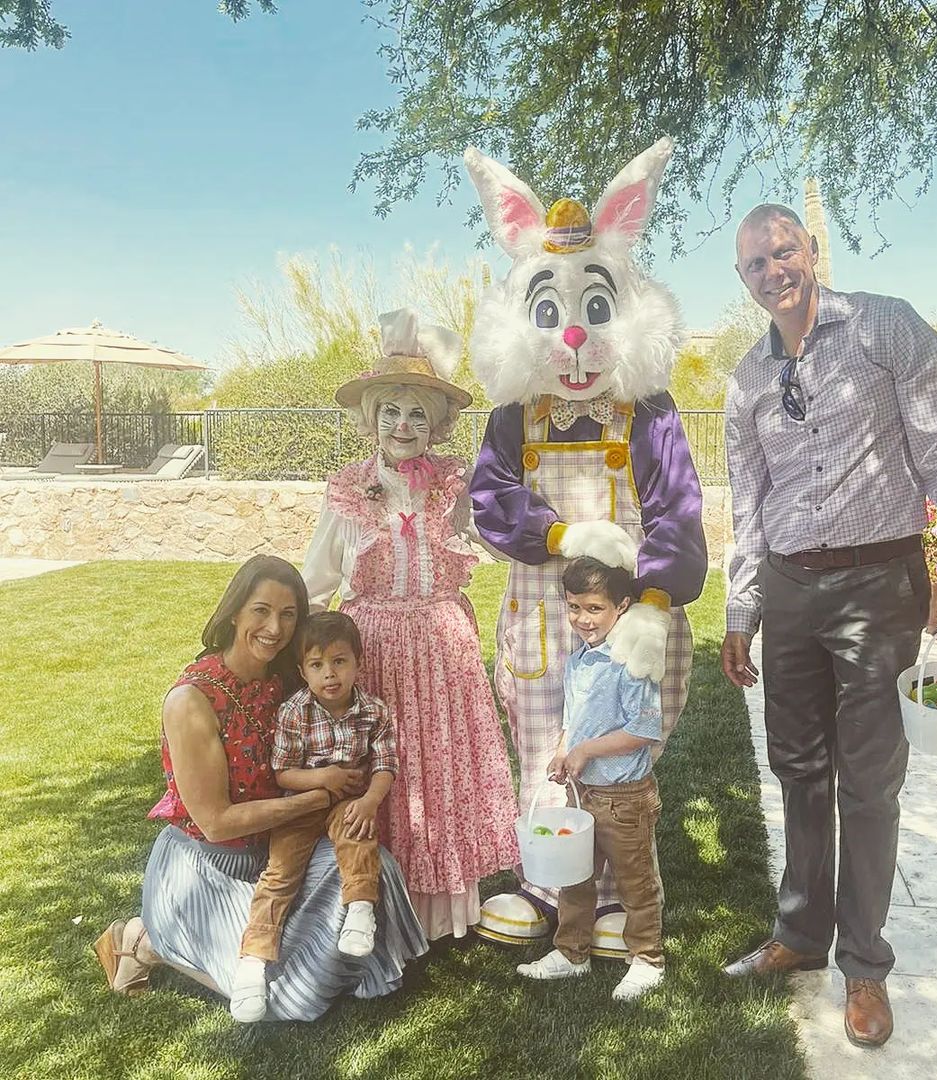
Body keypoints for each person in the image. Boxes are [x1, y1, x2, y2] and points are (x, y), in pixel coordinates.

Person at [720, 204, 937, 1047]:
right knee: (798, 768)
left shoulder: (885, 328)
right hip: (793, 591)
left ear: (810, 251)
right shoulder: (746, 380)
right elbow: (749, 505)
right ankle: (800, 937)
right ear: (744, 280)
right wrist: (742, 608)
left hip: (881, 583)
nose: (773, 271)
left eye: (783, 252)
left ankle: (865, 967)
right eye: (755, 265)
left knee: (868, 781)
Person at [463, 137, 707, 954]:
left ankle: (614, 894)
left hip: (632, 616)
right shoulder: (513, 414)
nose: (572, 337)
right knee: (545, 749)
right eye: (551, 313)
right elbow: (490, 499)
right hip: (541, 614)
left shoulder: (647, 410)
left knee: (620, 756)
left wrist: (656, 604)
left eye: (594, 311)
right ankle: (545, 884)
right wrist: (562, 533)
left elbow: (677, 507)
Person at [93, 555, 426, 1021]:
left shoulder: (288, 680)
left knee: (376, 869)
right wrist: (318, 796)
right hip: (209, 862)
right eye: (261, 610)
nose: (275, 627)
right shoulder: (191, 701)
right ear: (234, 611)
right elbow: (215, 821)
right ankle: (146, 941)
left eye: (288, 614)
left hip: (277, 844)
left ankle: (178, 944)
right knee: (288, 997)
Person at [302, 308, 519, 941]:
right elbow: (317, 579)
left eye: (417, 413)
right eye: (391, 411)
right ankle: (376, 905)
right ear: (371, 418)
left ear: (437, 423)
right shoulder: (348, 490)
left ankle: (444, 909)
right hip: (372, 654)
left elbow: (502, 539)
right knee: (382, 776)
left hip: (442, 650)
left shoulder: (456, 485)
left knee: (440, 770)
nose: (403, 425)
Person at [230, 611, 398, 1023]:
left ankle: (360, 909)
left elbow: (386, 763)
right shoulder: (294, 713)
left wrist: (371, 802)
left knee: (358, 835)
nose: (330, 675)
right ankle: (253, 962)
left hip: (348, 803)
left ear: (359, 662)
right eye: (317, 665)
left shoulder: (373, 711)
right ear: (303, 671)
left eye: (339, 661)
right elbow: (282, 771)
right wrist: (321, 778)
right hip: (301, 804)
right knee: (280, 874)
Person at [516, 557, 666, 1002]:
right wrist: (564, 750)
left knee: (635, 881)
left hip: (625, 798)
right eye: (574, 607)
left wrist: (586, 751)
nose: (583, 618)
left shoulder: (631, 663)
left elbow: (642, 730)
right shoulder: (579, 659)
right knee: (576, 877)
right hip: (583, 794)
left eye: (594, 608)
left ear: (621, 607)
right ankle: (571, 952)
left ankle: (647, 959)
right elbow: (574, 717)